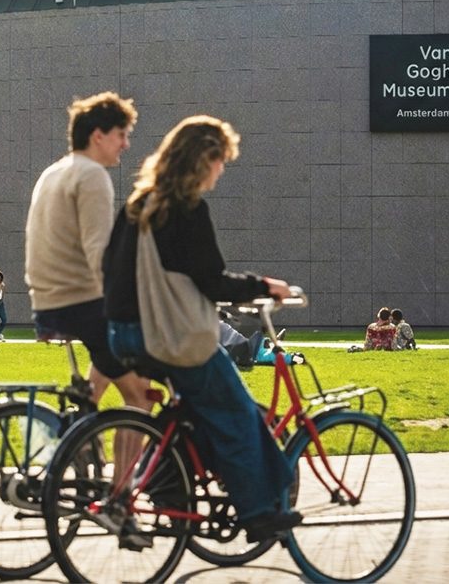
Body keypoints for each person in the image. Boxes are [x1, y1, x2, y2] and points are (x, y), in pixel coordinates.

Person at [103, 114, 301, 543]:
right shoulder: (187, 209)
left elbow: (111, 270)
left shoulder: (138, 206)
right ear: (200, 161)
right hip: (172, 339)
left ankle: (167, 480)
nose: (221, 169)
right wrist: (267, 286)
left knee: (193, 412)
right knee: (240, 415)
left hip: (124, 335)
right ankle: (258, 512)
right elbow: (211, 280)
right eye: (219, 161)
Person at [24, 91, 150, 412]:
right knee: (142, 393)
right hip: (81, 302)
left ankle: (83, 434)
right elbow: (100, 255)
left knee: (107, 366)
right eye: (121, 135)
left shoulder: (53, 173)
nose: (126, 144)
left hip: (49, 302)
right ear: (98, 136)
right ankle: (124, 465)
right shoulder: (93, 176)